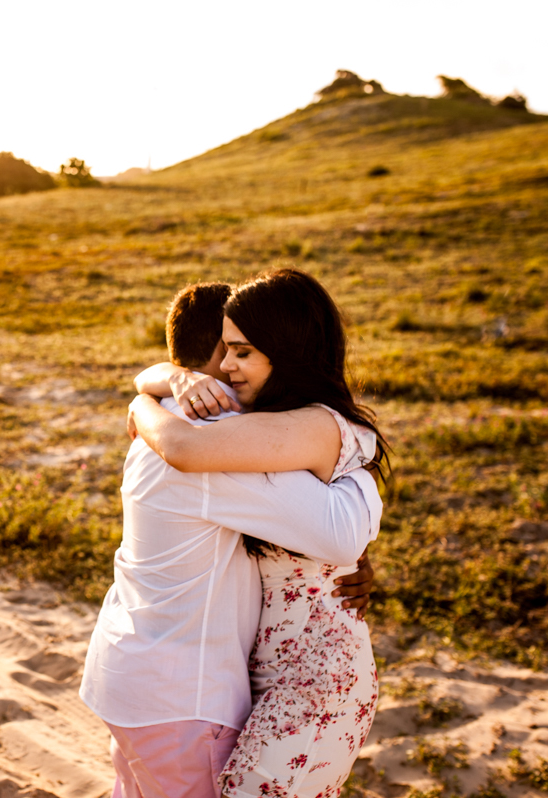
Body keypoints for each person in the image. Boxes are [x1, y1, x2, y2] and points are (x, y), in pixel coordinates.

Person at [80, 279, 381, 798]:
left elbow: (325, 531)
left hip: (132, 673)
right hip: (183, 698)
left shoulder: (203, 425)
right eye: (233, 349)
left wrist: (146, 396)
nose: (234, 367)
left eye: (249, 349)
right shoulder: (212, 437)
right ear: (216, 358)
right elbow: (339, 533)